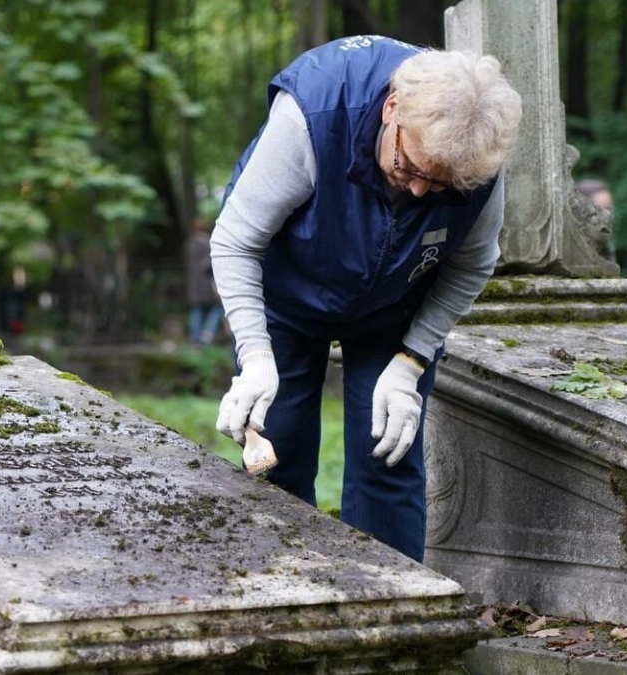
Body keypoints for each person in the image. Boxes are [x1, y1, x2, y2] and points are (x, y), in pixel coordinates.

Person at [210, 35, 522, 562]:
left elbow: (472, 264)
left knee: (389, 455)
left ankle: (393, 609)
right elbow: (235, 241)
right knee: (276, 450)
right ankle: (281, 598)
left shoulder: (474, 154)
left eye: (439, 186)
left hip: (396, 306)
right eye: (410, 168)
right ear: (391, 109)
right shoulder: (313, 113)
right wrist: (256, 356)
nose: (421, 192)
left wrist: (411, 361)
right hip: (285, 290)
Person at [184, 216, 224, 345]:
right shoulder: (207, 243)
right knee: (218, 308)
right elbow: (209, 263)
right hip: (206, 283)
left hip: (194, 284)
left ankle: (195, 339)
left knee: (197, 310)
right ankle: (207, 334)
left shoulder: (190, 244)